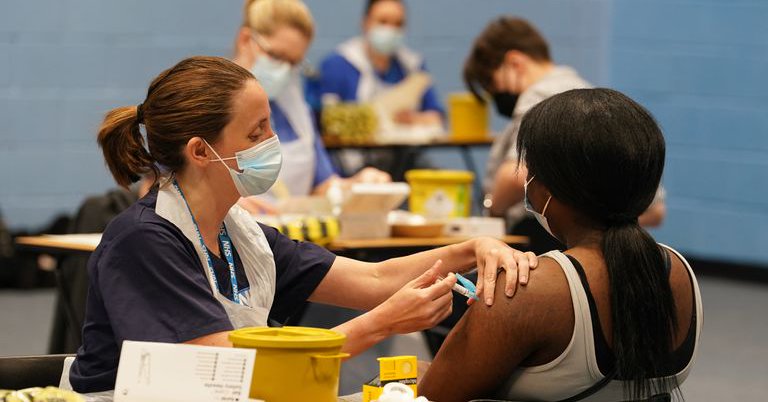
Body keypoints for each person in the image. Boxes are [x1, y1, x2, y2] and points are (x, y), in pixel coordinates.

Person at [68, 56, 538, 393]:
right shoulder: (144, 241)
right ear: (200, 152)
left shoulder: (241, 235)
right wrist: (380, 325)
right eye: (256, 133)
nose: (273, 143)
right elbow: (220, 367)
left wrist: (471, 249)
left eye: (271, 126)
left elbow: (371, 277)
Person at [419, 89, 702, 402]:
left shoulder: (524, 290)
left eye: (530, 171)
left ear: (547, 190)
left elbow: (432, 396)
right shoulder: (679, 272)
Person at [231, 0, 390, 214]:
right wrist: (225, 205)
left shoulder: (298, 111)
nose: (284, 70)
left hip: (290, 236)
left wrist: (357, 186)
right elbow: (174, 182)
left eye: (294, 63)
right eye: (277, 56)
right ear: (246, 40)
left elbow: (323, 185)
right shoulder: (207, 101)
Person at [316, 0, 443, 177]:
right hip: (354, 163)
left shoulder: (412, 65)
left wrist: (412, 119)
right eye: (382, 21)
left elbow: (436, 116)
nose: (390, 30)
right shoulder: (338, 64)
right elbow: (327, 120)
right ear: (365, 23)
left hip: (403, 159)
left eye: (398, 24)